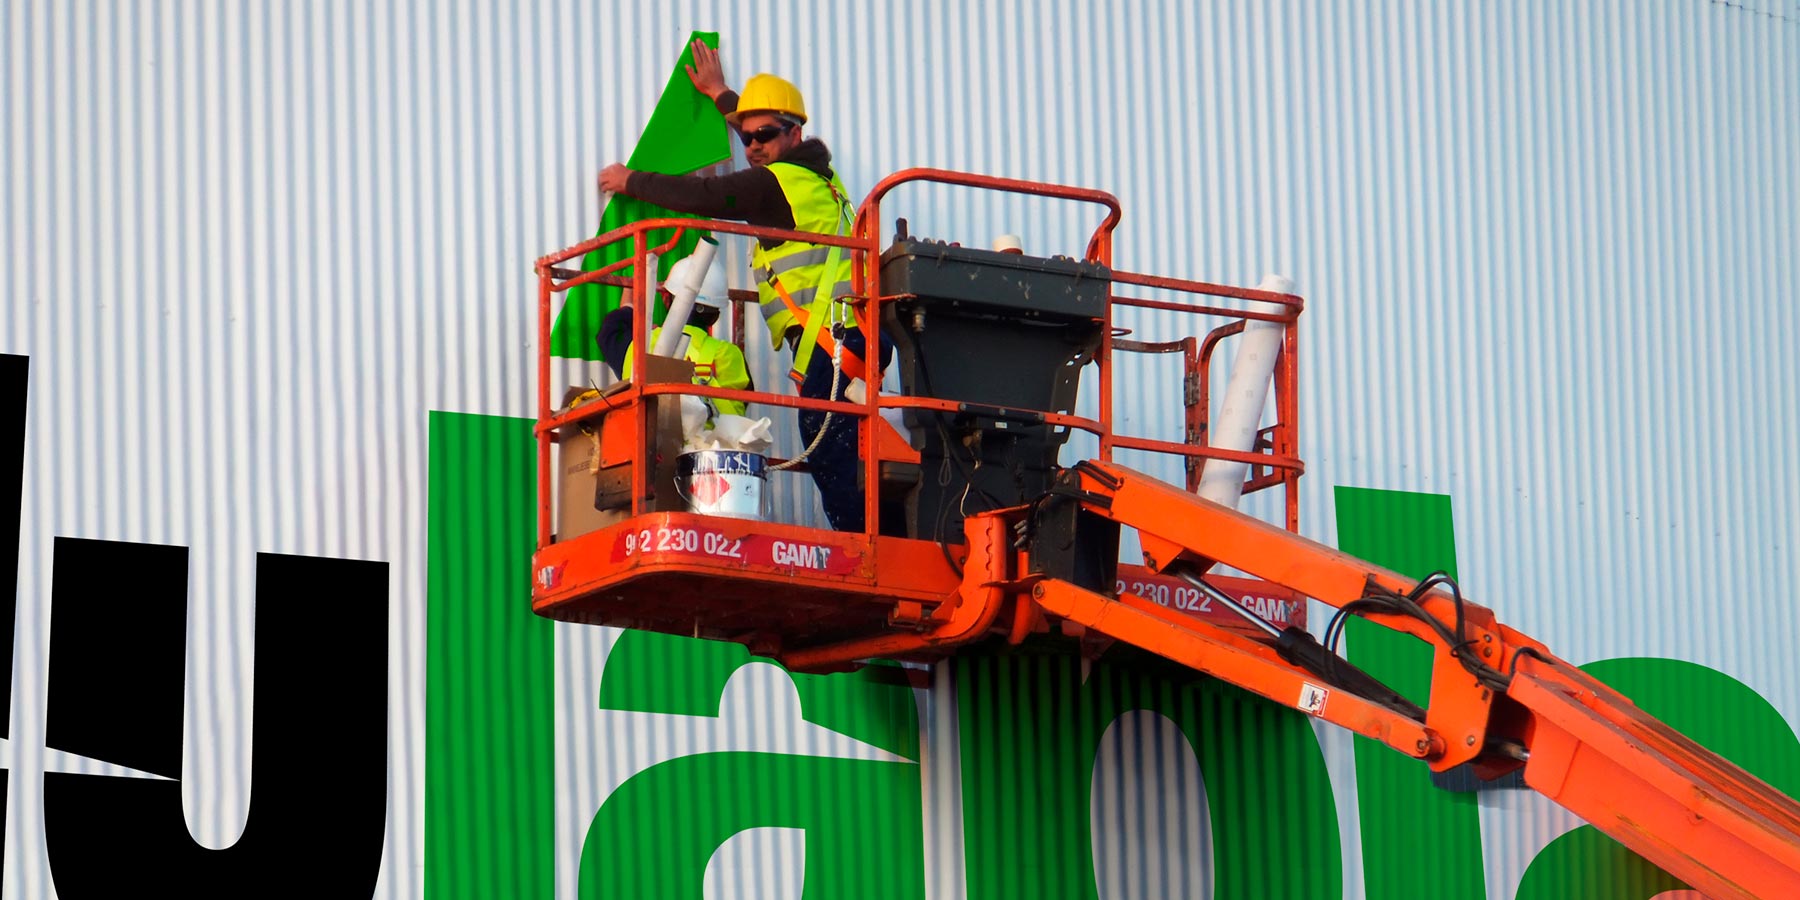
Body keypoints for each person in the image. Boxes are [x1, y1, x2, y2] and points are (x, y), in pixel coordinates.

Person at [598, 40, 891, 533]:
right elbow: (756, 124)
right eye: (747, 135)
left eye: (765, 136)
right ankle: (868, 535)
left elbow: (710, 194)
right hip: (845, 338)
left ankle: (866, 546)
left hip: (838, 342)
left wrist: (633, 181)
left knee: (829, 444)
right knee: (835, 441)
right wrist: (720, 94)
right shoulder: (818, 175)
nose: (752, 145)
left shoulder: (776, 184)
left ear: (793, 134)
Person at [597, 282, 752, 418]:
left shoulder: (641, 345)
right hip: (716, 447)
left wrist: (629, 308)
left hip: (654, 446)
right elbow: (743, 402)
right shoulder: (730, 355)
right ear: (715, 317)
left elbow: (609, 332)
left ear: (665, 300)